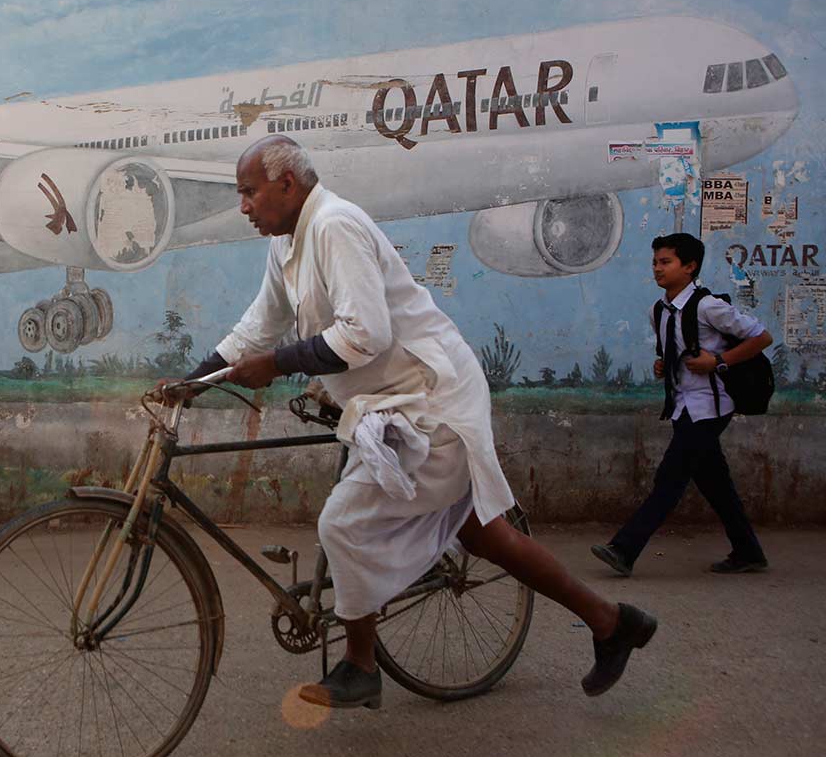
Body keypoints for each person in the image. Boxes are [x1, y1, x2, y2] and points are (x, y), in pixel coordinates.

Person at [163, 135, 657, 709]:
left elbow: (362, 333)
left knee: (344, 524)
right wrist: (194, 381)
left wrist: (276, 364)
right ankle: (611, 621)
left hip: (430, 400)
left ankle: (359, 665)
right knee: (482, 533)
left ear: (287, 185)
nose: (243, 205)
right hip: (390, 399)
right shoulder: (288, 243)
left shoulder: (334, 226)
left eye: (249, 192)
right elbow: (259, 326)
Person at [592, 233, 772, 577]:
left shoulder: (709, 306)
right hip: (681, 406)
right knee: (715, 482)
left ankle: (624, 549)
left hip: (710, 407)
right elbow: (671, 351)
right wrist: (663, 365)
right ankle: (748, 551)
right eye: (656, 262)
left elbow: (761, 337)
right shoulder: (657, 311)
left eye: (666, 262)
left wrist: (718, 361)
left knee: (670, 477)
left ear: (689, 267)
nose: (658, 269)